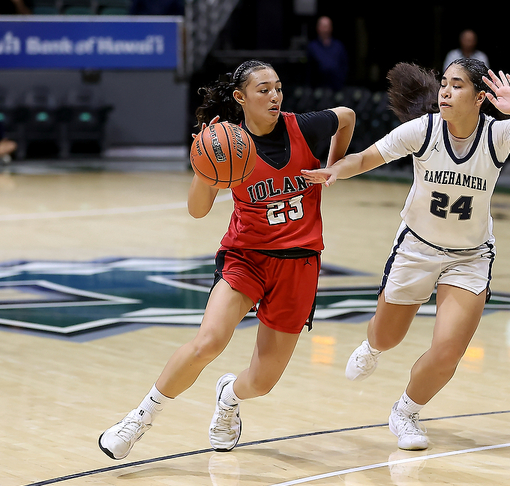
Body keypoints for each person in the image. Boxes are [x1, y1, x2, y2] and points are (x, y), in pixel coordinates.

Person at [98, 60, 355, 460]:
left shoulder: (302, 127)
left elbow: (347, 116)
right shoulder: (229, 143)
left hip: (299, 262)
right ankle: (139, 418)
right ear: (241, 97)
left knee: (262, 382)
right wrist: (204, 166)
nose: (274, 96)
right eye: (264, 90)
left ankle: (229, 396)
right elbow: (197, 210)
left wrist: (334, 166)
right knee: (208, 342)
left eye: (278, 88)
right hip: (246, 257)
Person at [302, 58, 510, 450]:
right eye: (444, 84)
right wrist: (337, 169)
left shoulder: (497, 133)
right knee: (387, 336)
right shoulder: (424, 130)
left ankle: (405, 412)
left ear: (480, 98)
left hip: (469, 256)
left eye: (457, 85)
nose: (446, 92)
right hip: (417, 248)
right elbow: (367, 157)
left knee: (449, 351)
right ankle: (372, 347)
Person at [307, 15, 348, 90]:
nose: (325, 29)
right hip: (318, 87)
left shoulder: (338, 46)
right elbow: (310, 69)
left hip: (336, 87)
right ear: (318, 28)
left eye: (327, 26)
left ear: (331, 28)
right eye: (323, 26)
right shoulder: (312, 46)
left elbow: (344, 65)